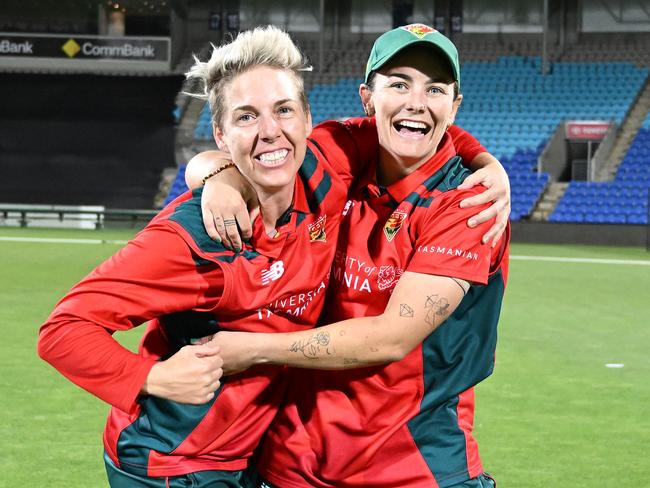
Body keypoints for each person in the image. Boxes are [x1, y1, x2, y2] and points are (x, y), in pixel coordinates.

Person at [37, 26, 378, 487]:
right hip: (174, 465)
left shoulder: (327, 165)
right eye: (246, 117)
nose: (270, 131)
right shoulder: (193, 239)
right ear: (220, 133)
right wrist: (151, 377)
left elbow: (419, 126)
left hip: (254, 457)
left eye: (283, 110)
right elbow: (62, 332)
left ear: (307, 119)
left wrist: (483, 164)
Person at [189, 23, 509, 488]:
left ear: (454, 107)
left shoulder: (470, 200)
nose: (416, 101)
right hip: (290, 467)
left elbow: (391, 338)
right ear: (367, 97)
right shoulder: (339, 150)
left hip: (413, 469)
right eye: (398, 84)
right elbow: (243, 156)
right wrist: (220, 176)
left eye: (435, 89)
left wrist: (254, 349)